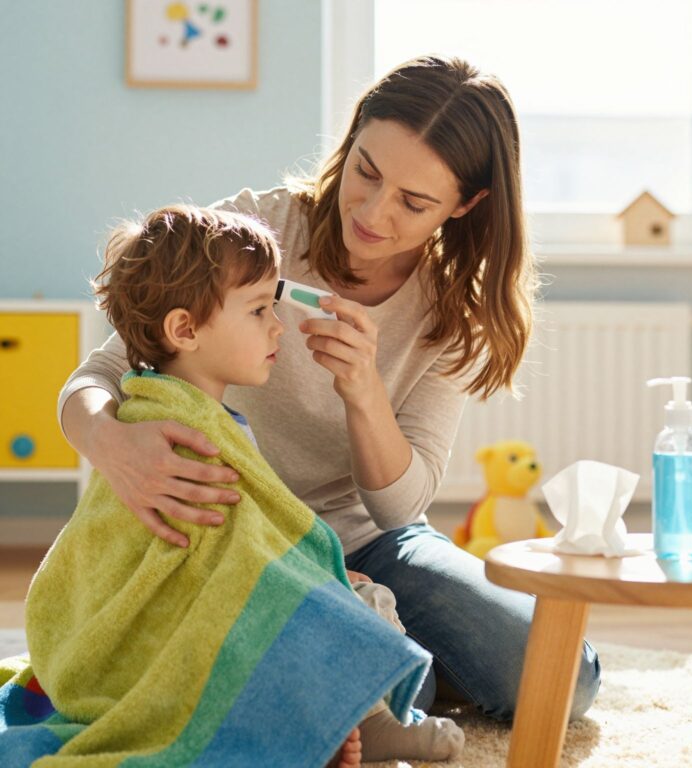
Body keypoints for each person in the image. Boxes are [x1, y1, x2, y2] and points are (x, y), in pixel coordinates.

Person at [58, 55, 601, 723]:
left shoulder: (451, 309)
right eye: (365, 172)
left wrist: (365, 392)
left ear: (466, 204)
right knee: (394, 694)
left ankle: (372, 648)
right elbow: (101, 375)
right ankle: (384, 664)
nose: (373, 213)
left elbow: (401, 507)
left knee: (563, 677)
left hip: (370, 543)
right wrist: (111, 443)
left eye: (414, 202)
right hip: (239, 535)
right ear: (351, 141)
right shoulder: (255, 236)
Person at [33, 205, 464, 766]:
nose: (278, 325)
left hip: (227, 591)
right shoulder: (188, 432)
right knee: (356, 604)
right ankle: (356, 721)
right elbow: (221, 550)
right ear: (184, 329)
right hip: (185, 622)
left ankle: (337, 720)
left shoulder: (183, 408)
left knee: (355, 598)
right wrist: (316, 573)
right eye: (259, 310)